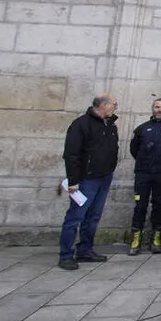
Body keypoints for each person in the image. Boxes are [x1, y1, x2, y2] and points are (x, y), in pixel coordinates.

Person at [59, 93, 119, 271]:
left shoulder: (110, 125)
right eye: (114, 104)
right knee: (75, 217)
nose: (115, 108)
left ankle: (85, 249)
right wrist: (73, 180)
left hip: (104, 177)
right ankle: (65, 255)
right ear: (103, 105)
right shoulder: (81, 124)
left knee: (93, 216)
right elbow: (71, 154)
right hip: (86, 179)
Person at [127, 98, 161, 255]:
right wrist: (145, 161)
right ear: (152, 108)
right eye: (157, 107)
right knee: (140, 205)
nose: (159, 110)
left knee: (159, 205)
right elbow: (134, 149)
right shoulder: (142, 129)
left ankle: (156, 238)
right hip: (143, 173)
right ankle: (136, 239)